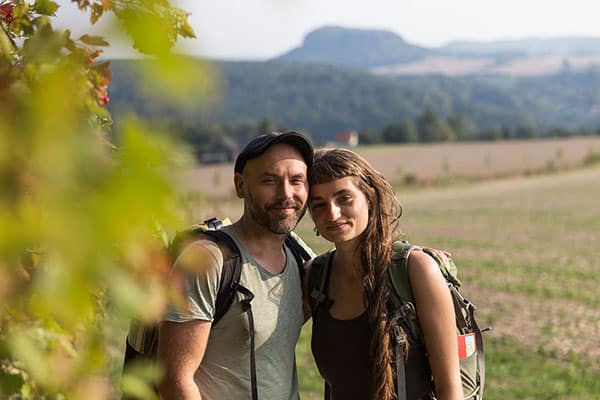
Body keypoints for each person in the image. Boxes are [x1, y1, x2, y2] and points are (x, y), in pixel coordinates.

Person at [156, 131, 316, 400]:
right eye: (269, 180)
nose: (286, 194)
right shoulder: (208, 260)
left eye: (297, 180)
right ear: (241, 186)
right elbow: (174, 382)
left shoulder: (301, 257)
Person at [305, 148, 463, 400]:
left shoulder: (415, 270)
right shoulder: (315, 277)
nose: (332, 213)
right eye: (319, 205)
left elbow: (450, 389)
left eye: (344, 198)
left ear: (369, 199)